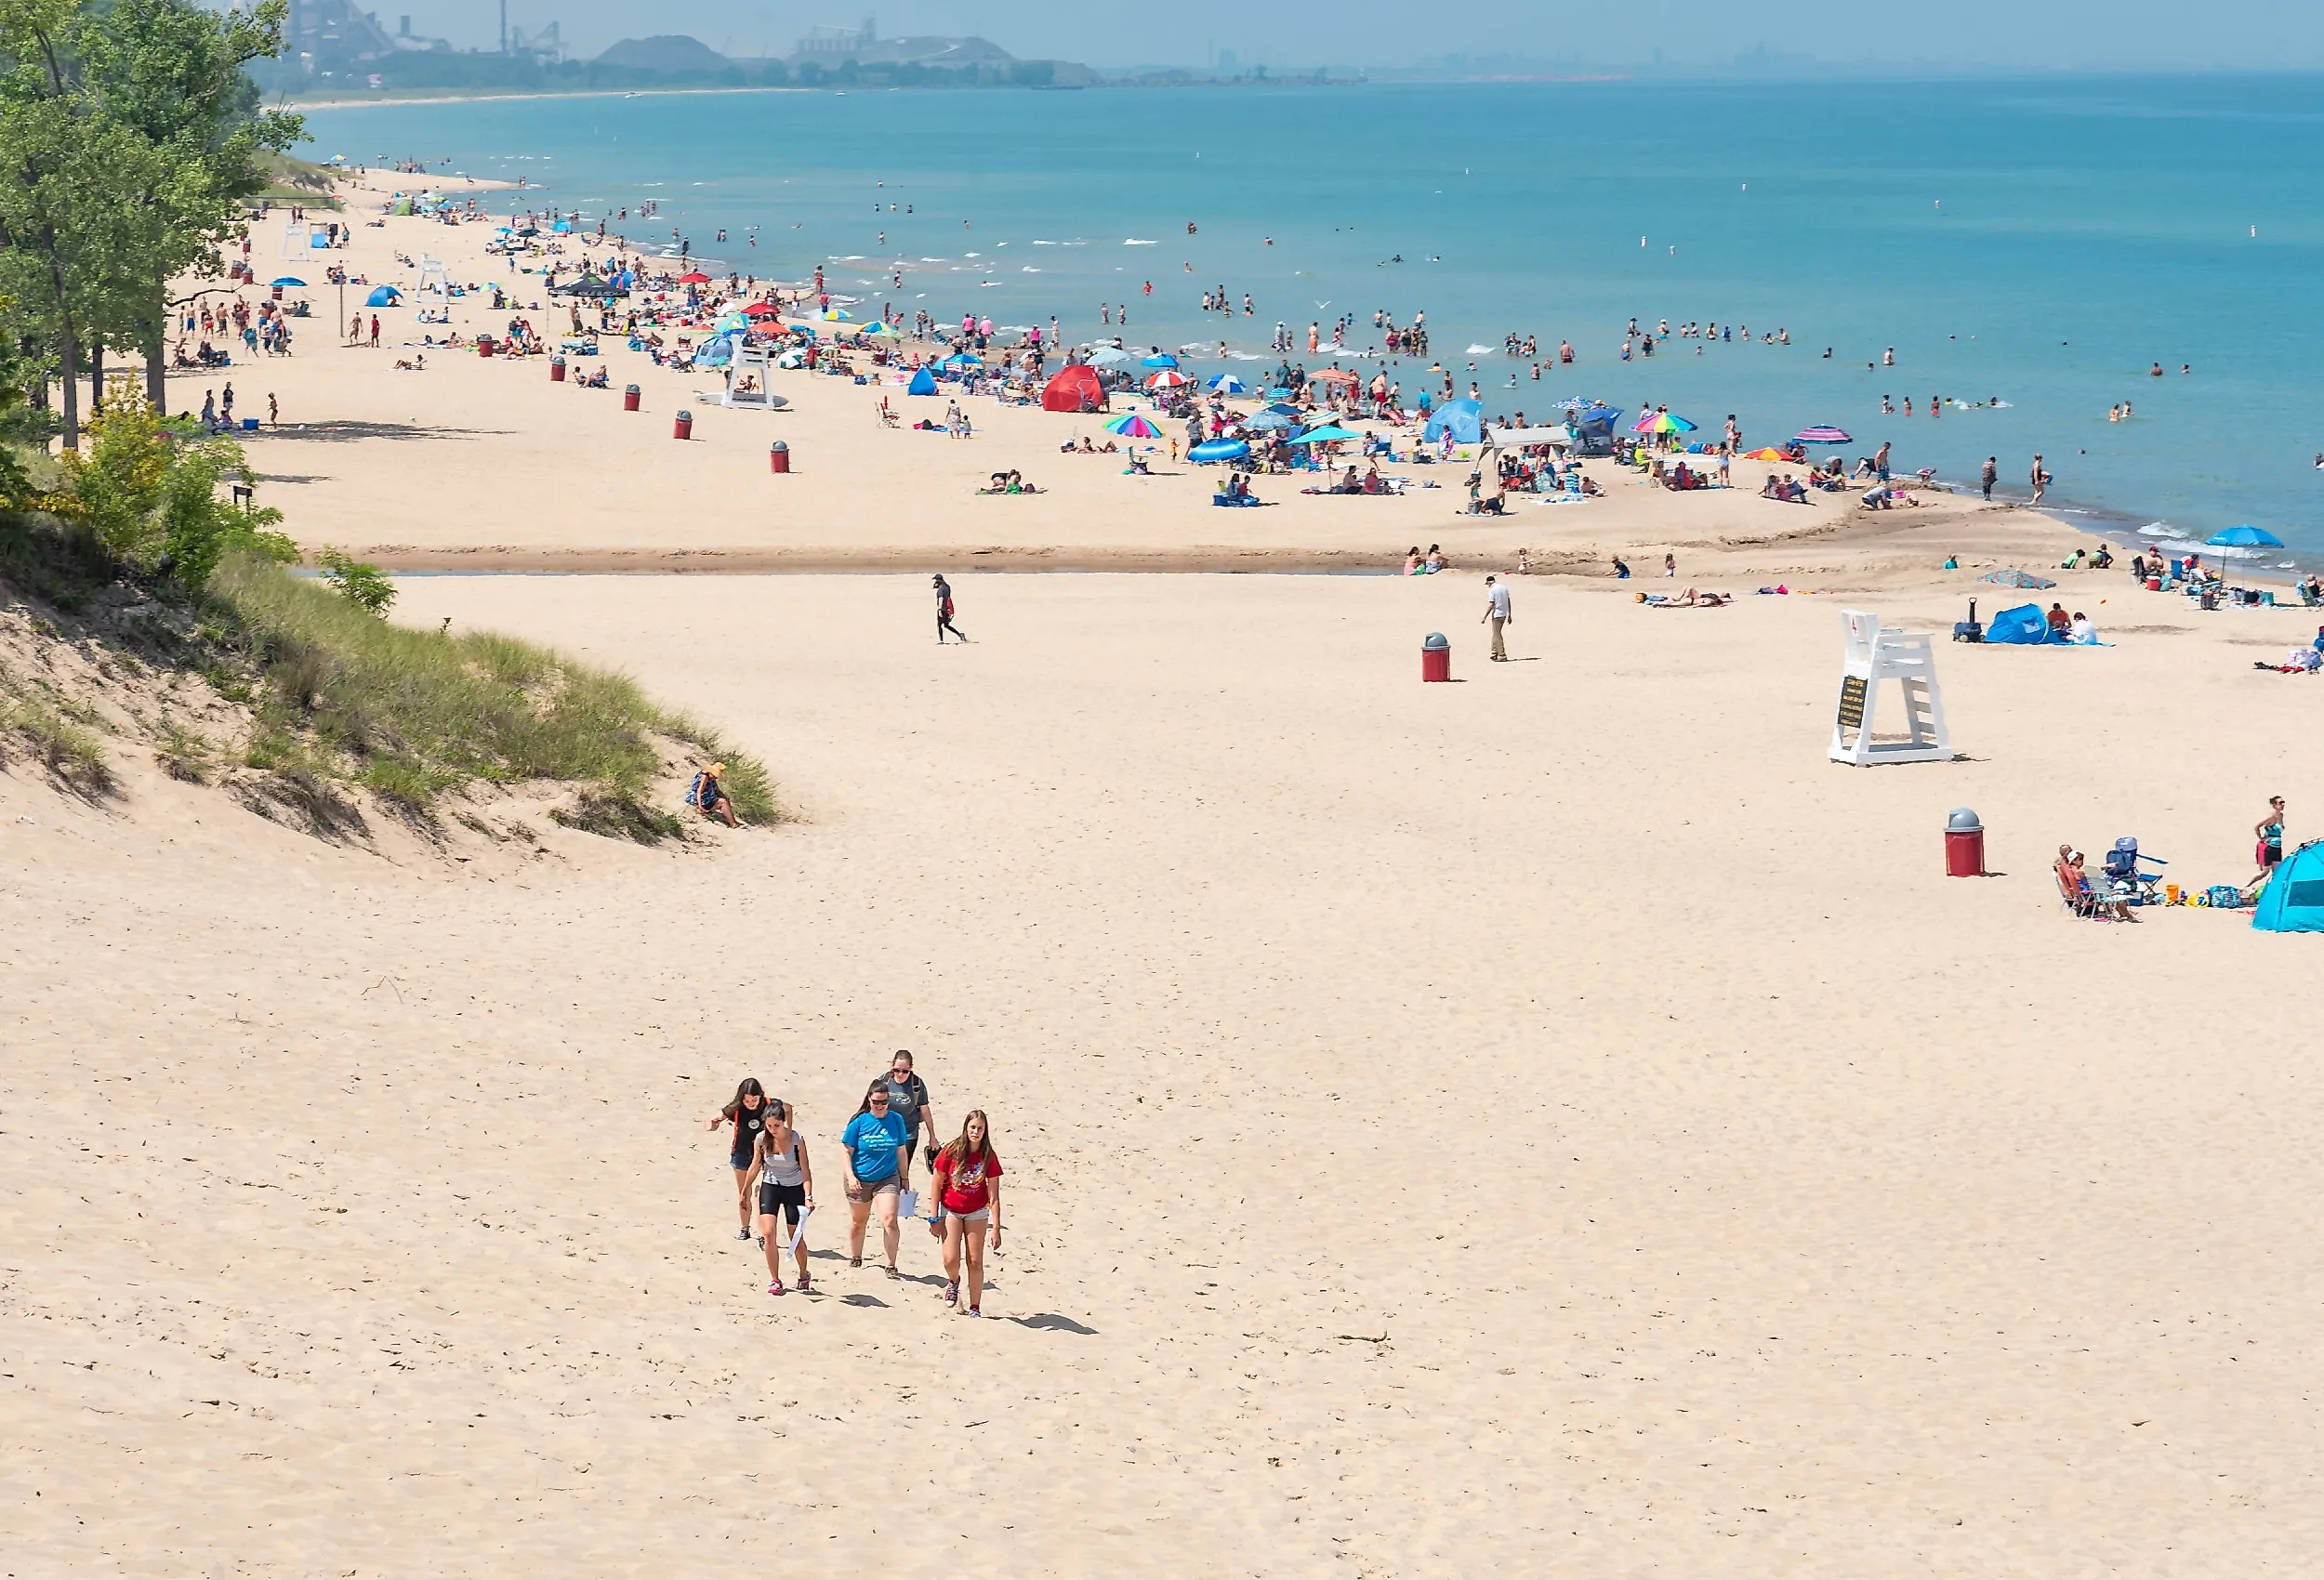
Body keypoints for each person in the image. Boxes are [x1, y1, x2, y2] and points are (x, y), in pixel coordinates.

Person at [928, 1111, 1003, 1317]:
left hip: (977, 1211)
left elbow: (994, 1194)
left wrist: (996, 1228)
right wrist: (934, 1216)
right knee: (950, 1258)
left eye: (980, 1128)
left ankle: (975, 1307)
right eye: (972, 1127)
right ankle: (953, 1281)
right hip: (951, 1209)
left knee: (975, 1259)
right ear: (966, 1128)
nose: (976, 1132)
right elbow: (936, 1183)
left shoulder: (988, 1155)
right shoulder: (952, 1150)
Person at [840, 1081, 910, 1276]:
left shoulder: (896, 1120)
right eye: (876, 1102)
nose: (880, 1106)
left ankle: (891, 1265)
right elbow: (846, 1151)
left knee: (890, 1219)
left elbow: (901, 1151)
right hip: (860, 1178)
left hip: (887, 1177)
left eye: (884, 1102)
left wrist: (905, 1178)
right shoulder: (859, 1122)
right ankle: (856, 1256)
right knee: (858, 1222)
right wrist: (851, 1176)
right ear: (869, 1100)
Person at [751, 1099, 814, 1295]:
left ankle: (804, 1274)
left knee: (795, 1236)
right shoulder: (762, 1139)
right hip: (771, 1185)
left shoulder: (797, 1139)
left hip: (794, 1187)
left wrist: (809, 1196)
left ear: (784, 1121)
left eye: (776, 1126)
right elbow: (755, 1165)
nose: (772, 1129)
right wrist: (744, 1191)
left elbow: (805, 1170)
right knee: (768, 1233)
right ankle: (775, 1279)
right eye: (769, 1126)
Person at [706, 1078, 772, 1240]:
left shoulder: (769, 1105)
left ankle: (763, 1233)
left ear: (760, 1096)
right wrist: (711, 1126)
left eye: (754, 1100)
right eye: (747, 1100)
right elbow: (713, 1119)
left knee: (762, 1196)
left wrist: (788, 1129)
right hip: (741, 1155)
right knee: (744, 1193)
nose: (751, 1104)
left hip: (764, 1156)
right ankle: (745, 1228)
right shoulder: (736, 1108)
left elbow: (788, 1109)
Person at [882, 1049, 937, 1181]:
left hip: (909, 1133)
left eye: (905, 1071)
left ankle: (900, 1198)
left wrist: (932, 1137)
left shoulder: (916, 1084)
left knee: (902, 1170)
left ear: (911, 1069)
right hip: (886, 1132)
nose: (900, 1074)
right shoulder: (884, 1082)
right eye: (896, 1070)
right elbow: (871, 1105)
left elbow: (925, 1110)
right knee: (885, 1169)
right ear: (892, 1066)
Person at [690, 762, 740, 827]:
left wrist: (726, 798)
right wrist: (700, 806)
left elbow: (717, 790)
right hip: (698, 800)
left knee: (724, 800)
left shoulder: (710, 777)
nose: (715, 778)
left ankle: (728, 818)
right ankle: (733, 824)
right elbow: (699, 791)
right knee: (722, 802)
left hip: (706, 799)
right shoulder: (705, 777)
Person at [2253, 796, 2287, 889]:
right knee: (2264, 872)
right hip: (2269, 847)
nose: (2283, 804)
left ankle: (2274, 889)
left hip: (2277, 847)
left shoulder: (2281, 816)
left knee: (2277, 872)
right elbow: (2257, 826)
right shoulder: (2271, 817)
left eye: (2283, 802)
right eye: (2280, 803)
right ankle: (2246, 886)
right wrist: (2261, 838)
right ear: (2274, 805)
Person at [1482, 573, 1512, 661]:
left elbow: (1491, 605)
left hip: (1497, 614)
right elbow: (1508, 601)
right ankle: (1494, 652)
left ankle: (1502, 654)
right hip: (1504, 613)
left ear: (1489, 583)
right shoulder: (1503, 588)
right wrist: (1509, 614)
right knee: (1495, 633)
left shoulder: (1492, 590)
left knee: (1497, 635)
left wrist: (1484, 617)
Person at [933, 573, 969, 643]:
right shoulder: (947, 587)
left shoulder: (941, 589)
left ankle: (941, 641)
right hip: (948, 608)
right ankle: (960, 634)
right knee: (946, 625)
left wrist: (940, 610)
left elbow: (941, 598)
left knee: (939, 625)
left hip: (942, 609)